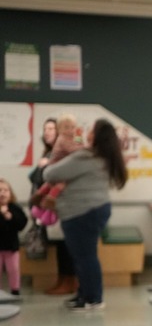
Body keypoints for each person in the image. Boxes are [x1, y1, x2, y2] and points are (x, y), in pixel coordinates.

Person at [41, 119, 128, 311]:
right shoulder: (103, 158)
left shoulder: (86, 157)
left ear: (96, 136)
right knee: (84, 256)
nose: (87, 133)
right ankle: (85, 294)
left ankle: (93, 298)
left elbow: (49, 174)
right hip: (92, 211)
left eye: (91, 130)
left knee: (85, 257)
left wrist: (49, 164)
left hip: (82, 213)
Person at [28, 117, 77, 296]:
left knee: (66, 247)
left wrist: (46, 167)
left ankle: (69, 282)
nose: (47, 132)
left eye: (51, 128)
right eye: (45, 129)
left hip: (61, 207)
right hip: (48, 209)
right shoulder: (48, 153)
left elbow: (55, 178)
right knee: (60, 247)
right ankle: (62, 280)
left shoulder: (63, 153)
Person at [0, 178, 29, 295]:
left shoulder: (15, 208)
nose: (2, 193)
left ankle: (15, 290)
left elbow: (22, 223)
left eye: (5, 190)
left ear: (10, 193)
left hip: (11, 246)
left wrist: (9, 216)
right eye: (0, 190)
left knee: (13, 270)